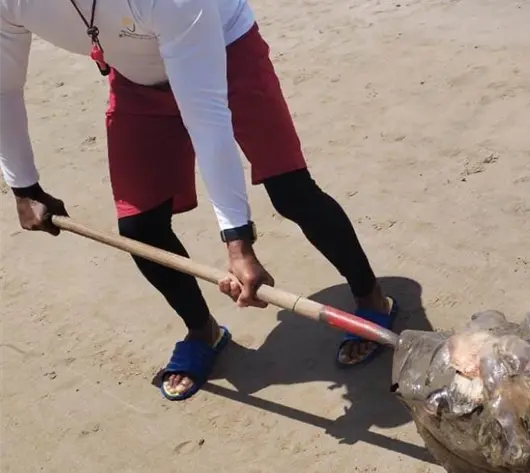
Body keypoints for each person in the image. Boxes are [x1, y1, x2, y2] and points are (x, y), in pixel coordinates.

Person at [1, 0, 400, 401]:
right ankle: (202, 330)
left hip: (228, 50)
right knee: (140, 227)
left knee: (291, 192)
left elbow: (207, 116)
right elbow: (2, 85)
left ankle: (370, 296)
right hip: (135, 73)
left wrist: (238, 243)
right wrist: (24, 186)